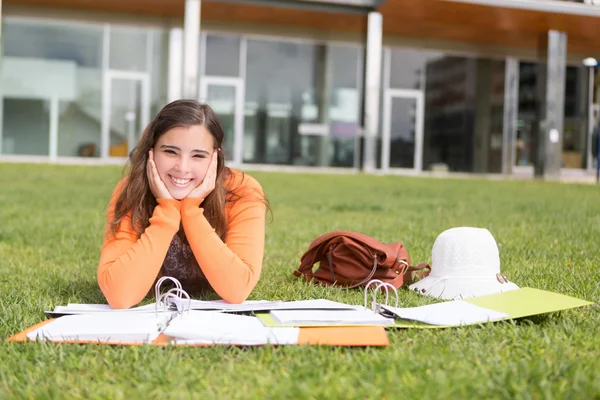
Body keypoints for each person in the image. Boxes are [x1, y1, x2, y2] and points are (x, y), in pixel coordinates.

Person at [97, 100, 268, 309]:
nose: (182, 168)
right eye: (170, 152)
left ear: (215, 158)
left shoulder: (242, 191)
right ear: (151, 151)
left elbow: (237, 289)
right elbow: (119, 296)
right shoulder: (131, 190)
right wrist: (167, 211)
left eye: (198, 155)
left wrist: (191, 210)